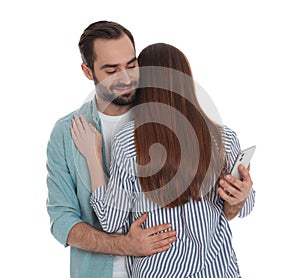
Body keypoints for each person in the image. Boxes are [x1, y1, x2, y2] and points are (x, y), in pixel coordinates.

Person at [71, 43, 256, 277]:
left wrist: (93, 156)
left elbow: (111, 220)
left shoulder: (129, 141)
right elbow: (243, 208)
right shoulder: (223, 137)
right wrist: (241, 197)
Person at [46, 21, 177, 278]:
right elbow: (62, 220)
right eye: (111, 70)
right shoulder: (65, 133)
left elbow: (198, 208)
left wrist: (233, 203)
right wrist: (124, 245)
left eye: (131, 65)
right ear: (87, 71)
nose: (126, 78)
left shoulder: (166, 120)